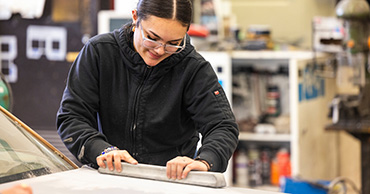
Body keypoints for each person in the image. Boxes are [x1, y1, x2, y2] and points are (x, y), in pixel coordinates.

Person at [57, 0, 239, 180]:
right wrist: (100, 149)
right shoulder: (99, 53)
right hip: (107, 176)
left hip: (170, 182)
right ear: (135, 18)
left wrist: (205, 161)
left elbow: (222, 126)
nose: (160, 50)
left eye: (174, 43)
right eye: (152, 38)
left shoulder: (193, 69)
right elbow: (72, 117)